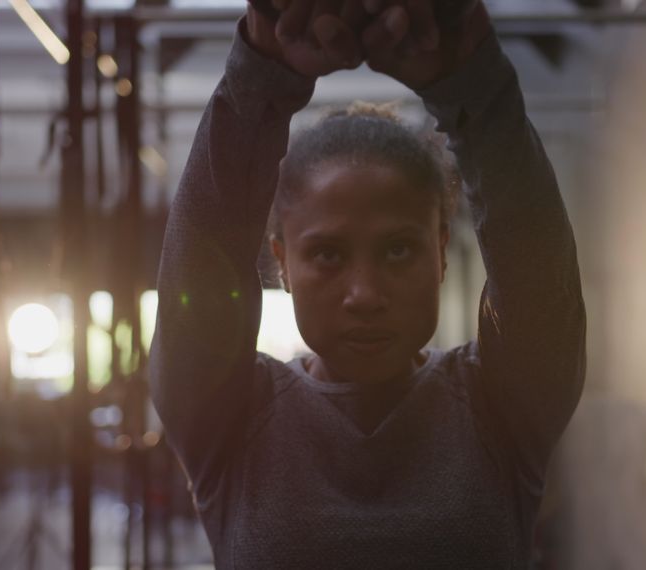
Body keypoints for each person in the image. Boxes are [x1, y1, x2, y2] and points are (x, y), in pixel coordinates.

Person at [150, 0, 586, 567]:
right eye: (327, 254)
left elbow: (535, 263)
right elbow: (203, 258)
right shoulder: (228, 415)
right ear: (283, 261)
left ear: (439, 251)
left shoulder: (499, 405)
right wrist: (259, 74)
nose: (365, 294)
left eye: (399, 250)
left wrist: (472, 79)